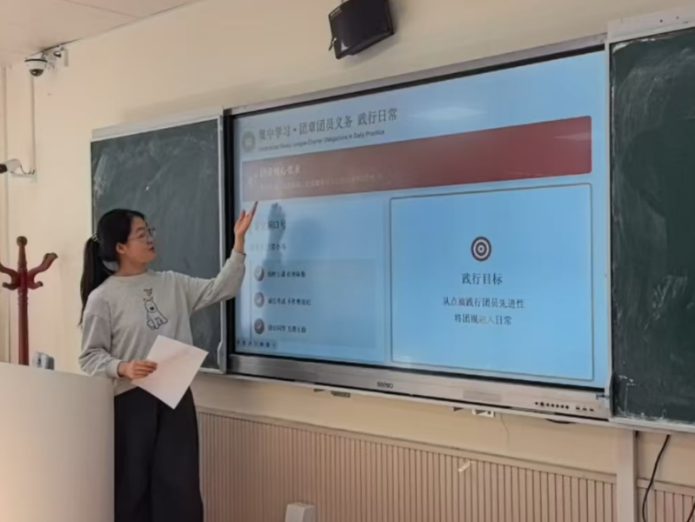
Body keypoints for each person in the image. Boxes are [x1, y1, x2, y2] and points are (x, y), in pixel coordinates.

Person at [78, 204, 256, 522]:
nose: (150, 238)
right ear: (120, 247)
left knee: (180, 488)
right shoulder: (102, 298)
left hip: (175, 399)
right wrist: (123, 367)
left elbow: (222, 288)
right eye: (141, 234)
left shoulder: (173, 283)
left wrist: (239, 243)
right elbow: (90, 356)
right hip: (130, 403)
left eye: (149, 231)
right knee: (133, 491)